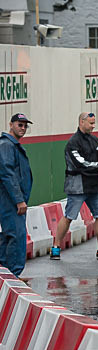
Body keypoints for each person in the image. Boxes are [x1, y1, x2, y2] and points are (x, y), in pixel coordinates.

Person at [51, 112, 98, 260]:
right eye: (90, 123)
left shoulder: (95, 140)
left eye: (94, 123)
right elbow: (80, 163)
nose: (93, 126)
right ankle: (56, 247)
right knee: (69, 217)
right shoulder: (72, 143)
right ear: (81, 122)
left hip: (94, 185)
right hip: (77, 186)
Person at [0, 113, 33, 276]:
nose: (23, 128)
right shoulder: (6, 145)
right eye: (20, 125)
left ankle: (5, 276)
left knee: (8, 237)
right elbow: (7, 174)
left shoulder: (13, 146)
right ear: (10, 124)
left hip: (12, 199)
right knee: (16, 236)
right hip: (10, 200)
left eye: (25, 125)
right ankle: (12, 275)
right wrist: (19, 200)